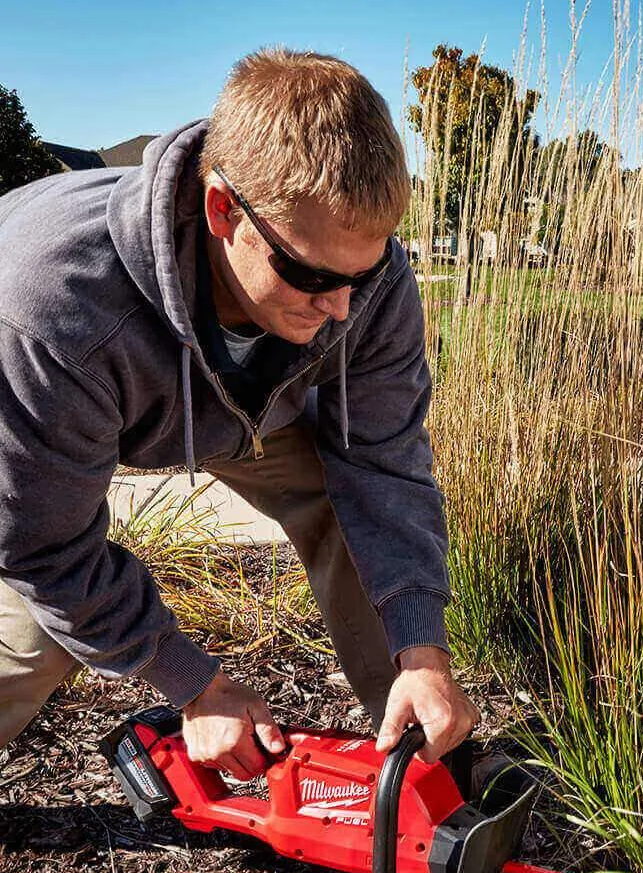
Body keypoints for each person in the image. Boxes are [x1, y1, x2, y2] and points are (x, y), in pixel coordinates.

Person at [0, 48, 478, 780]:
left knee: (345, 498)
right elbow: (42, 549)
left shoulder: (362, 283)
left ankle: (417, 750)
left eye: (364, 273)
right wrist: (195, 684)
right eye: (313, 275)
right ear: (224, 210)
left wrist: (424, 648)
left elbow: (385, 463)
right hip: (40, 398)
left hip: (243, 405)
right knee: (38, 634)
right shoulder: (54, 308)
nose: (342, 308)